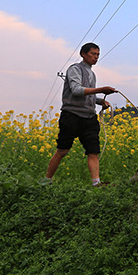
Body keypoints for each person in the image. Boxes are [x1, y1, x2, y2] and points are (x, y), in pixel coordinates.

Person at [46, 43, 117, 186]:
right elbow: (77, 90)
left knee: (93, 151)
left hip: (89, 117)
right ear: (83, 54)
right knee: (62, 151)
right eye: (93, 54)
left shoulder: (92, 73)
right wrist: (101, 90)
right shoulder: (75, 69)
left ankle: (96, 183)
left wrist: (99, 102)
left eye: (98, 55)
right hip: (71, 115)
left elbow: (87, 94)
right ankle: (46, 181)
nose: (96, 57)